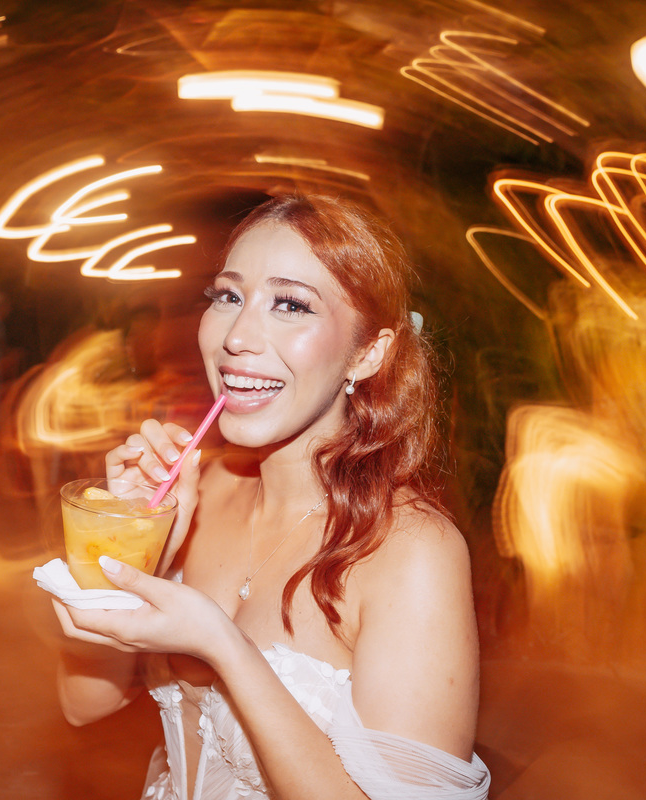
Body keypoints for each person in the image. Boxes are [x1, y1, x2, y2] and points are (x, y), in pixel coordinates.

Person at [50, 194, 489, 799]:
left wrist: (223, 646)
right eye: (228, 297)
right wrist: (130, 551)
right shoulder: (198, 495)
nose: (237, 336)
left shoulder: (412, 552)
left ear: (368, 354)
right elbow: (82, 703)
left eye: (291, 304)